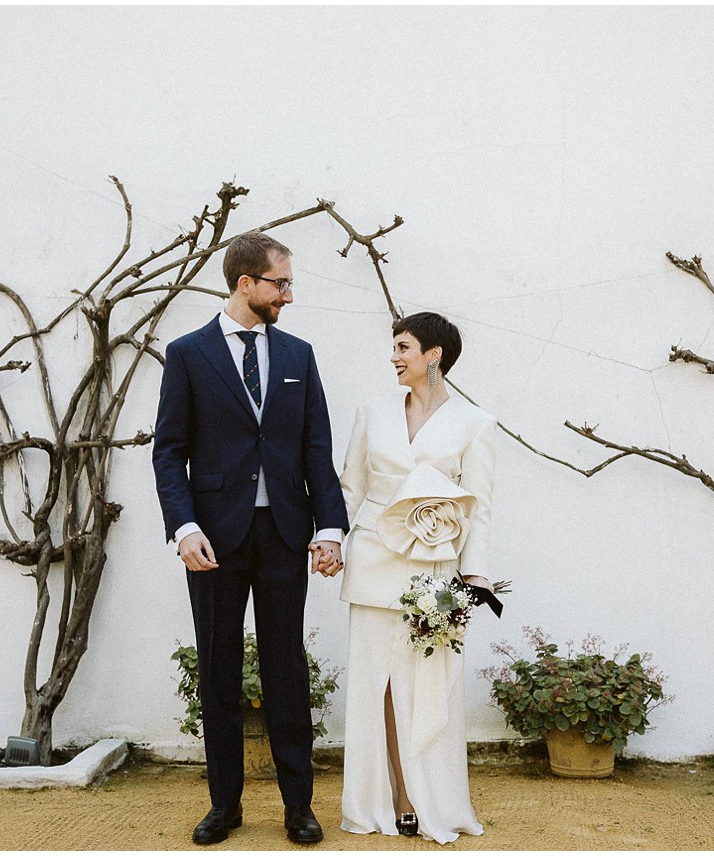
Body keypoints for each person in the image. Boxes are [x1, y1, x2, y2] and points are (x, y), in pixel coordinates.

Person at [152, 231, 349, 846]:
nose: (288, 295)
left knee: (286, 666)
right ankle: (224, 804)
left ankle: (298, 806)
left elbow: (317, 445)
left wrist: (331, 528)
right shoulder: (187, 354)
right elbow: (169, 451)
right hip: (213, 537)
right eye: (280, 283)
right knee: (218, 669)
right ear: (246, 284)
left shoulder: (298, 355)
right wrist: (183, 527)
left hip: (286, 532)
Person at [334, 311, 497, 844]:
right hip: (374, 561)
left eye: (404, 347)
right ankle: (387, 800)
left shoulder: (475, 423)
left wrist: (475, 577)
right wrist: (330, 538)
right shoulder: (372, 411)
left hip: (435, 570)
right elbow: (350, 487)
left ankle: (433, 801)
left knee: (429, 688)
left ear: (435, 355)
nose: (394, 357)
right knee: (374, 686)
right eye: (394, 347)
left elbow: (481, 509)